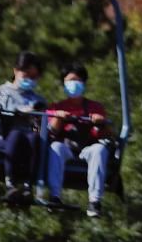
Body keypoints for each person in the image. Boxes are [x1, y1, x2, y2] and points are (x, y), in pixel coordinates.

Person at [45, 63, 112, 216]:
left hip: (86, 148)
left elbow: (108, 135)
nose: (73, 84)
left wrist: (101, 123)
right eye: (69, 80)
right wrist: (58, 119)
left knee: (99, 149)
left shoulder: (95, 107)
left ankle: (94, 201)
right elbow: (50, 132)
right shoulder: (56, 107)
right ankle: (55, 196)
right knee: (55, 147)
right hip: (66, 147)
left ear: (84, 83)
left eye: (77, 80)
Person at [0, 50, 46, 205]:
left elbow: (40, 130)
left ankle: (27, 186)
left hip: (29, 142)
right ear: (16, 71)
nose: (29, 80)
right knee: (16, 135)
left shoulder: (37, 99)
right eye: (26, 74)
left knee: (34, 137)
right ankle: (10, 184)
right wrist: (15, 115)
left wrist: (36, 119)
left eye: (34, 77)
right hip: (5, 139)